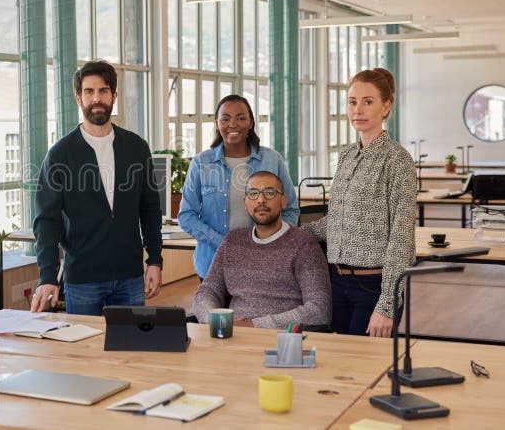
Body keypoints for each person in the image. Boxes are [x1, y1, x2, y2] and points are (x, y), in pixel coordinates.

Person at [31, 60, 163, 315]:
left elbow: (149, 208)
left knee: (128, 340)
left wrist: (155, 260)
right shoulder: (60, 154)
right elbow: (47, 220)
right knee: (82, 341)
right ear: (78, 97)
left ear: (114, 96)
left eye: (103, 91)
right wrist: (47, 275)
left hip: (130, 276)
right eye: (89, 91)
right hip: (83, 278)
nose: (96, 99)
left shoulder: (136, 147)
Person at [303, 68, 416, 337]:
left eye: (368, 102)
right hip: (338, 282)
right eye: (352, 102)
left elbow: (401, 238)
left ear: (385, 107)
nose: (358, 110)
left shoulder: (398, 160)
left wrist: (387, 305)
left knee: (365, 362)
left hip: (373, 287)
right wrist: (292, 233)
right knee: (341, 358)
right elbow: (338, 221)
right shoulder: (346, 157)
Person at [178, 94, 299, 280]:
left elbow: (291, 209)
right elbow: (186, 215)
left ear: (251, 123)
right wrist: (224, 243)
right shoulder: (201, 163)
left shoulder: (272, 160)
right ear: (217, 124)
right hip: (213, 265)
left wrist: (269, 242)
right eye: (225, 119)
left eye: (241, 118)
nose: (233, 124)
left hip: (263, 265)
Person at [192, 171, 330, 329]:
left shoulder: (304, 245)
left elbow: (320, 310)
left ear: (283, 201)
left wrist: (253, 325)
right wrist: (213, 319)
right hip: (231, 333)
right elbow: (208, 290)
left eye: (269, 193)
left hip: (281, 337)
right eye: (253, 193)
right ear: (245, 202)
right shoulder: (232, 241)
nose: (261, 200)